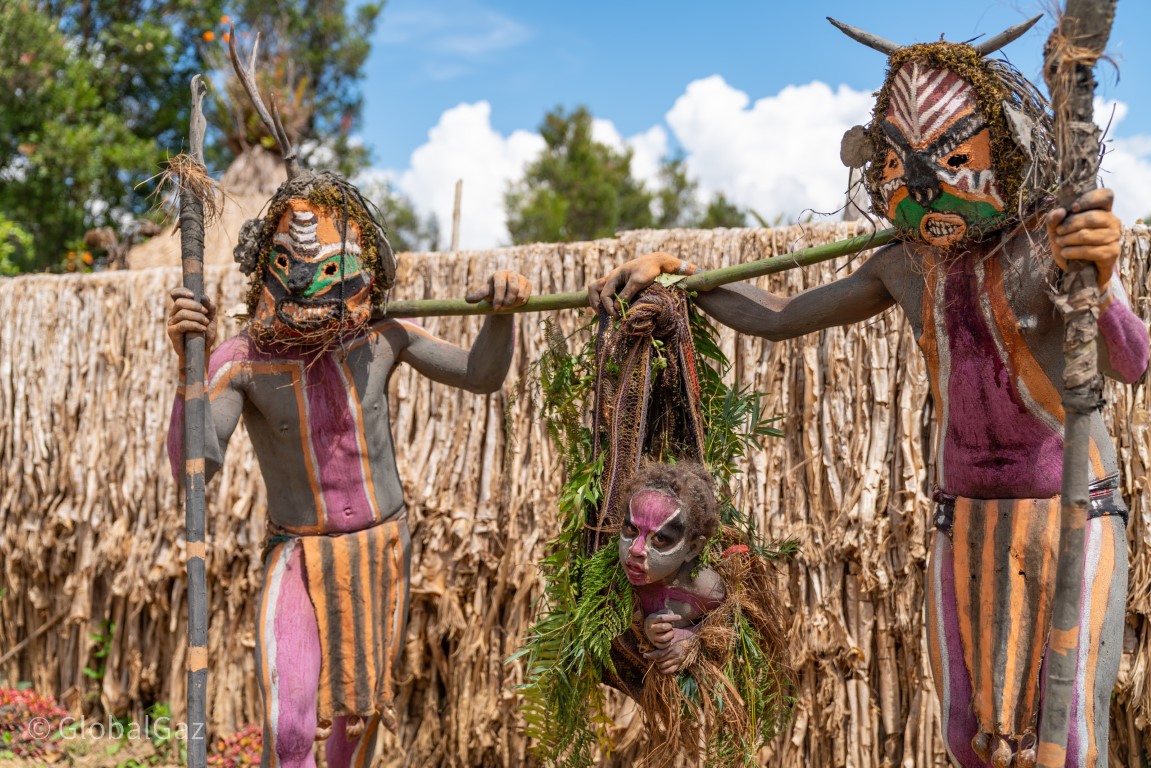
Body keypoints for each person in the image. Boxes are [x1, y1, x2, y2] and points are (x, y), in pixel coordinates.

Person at [589, 21, 1148, 768]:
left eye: (953, 159)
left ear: (1003, 150)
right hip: (962, 520)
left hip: (1068, 508)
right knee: (973, 737)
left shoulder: (1048, 245)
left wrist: (1100, 282)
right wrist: (678, 277)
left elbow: (1131, 361)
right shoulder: (903, 267)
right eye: (903, 165)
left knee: (1064, 738)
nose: (924, 185)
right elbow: (779, 318)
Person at [167, 171, 531, 768]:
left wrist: (501, 314)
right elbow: (198, 462)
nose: (310, 285)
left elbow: (482, 375)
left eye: (331, 270)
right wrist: (187, 367)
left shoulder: (382, 340)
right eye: (291, 266)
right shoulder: (240, 361)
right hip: (298, 555)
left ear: (365, 266)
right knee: (288, 734)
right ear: (267, 267)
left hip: (381, 550)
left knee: (355, 731)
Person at [617, 461, 725, 675]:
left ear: (692, 549)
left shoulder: (707, 591)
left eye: (659, 539)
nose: (636, 549)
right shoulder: (611, 581)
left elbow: (729, 626)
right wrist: (646, 629)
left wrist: (690, 639)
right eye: (631, 529)